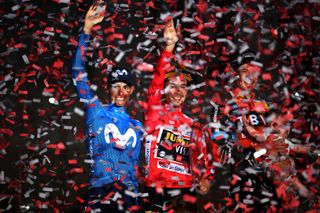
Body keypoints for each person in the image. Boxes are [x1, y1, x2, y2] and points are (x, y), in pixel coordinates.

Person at [71, 3, 143, 212]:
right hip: (100, 191)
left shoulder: (137, 125)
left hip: (129, 196)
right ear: (108, 89)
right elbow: (78, 73)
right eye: (115, 86)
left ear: (131, 91)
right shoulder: (96, 111)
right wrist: (86, 30)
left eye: (125, 87)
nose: (120, 92)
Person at [143, 18, 212, 212]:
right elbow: (156, 81)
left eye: (183, 87)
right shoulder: (154, 114)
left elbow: (205, 160)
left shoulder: (194, 125)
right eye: (172, 86)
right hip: (156, 191)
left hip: (185, 192)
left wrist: (207, 179)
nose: (178, 91)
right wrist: (169, 47)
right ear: (164, 90)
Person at [210, 51, 280, 212]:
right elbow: (216, 136)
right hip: (242, 170)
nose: (250, 77)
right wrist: (238, 151)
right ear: (235, 75)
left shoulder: (265, 101)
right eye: (244, 72)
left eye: (254, 72)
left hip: (270, 167)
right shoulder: (223, 99)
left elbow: (277, 132)